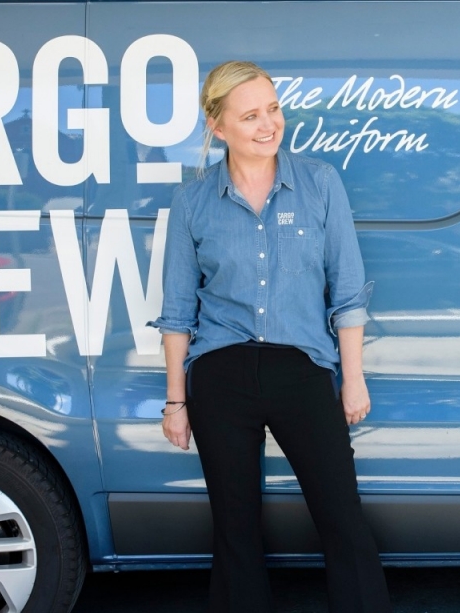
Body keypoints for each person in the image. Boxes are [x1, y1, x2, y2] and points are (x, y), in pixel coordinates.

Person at [149, 60, 391, 613]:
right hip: (220, 373)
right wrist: (175, 401)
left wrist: (352, 380)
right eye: (251, 115)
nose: (269, 125)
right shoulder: (193, 202)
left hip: (302, 367)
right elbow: (179, 310)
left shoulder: (320, 183)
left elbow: (348, 291)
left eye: (274, 109)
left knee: (341, 517)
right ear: (217, 126)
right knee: (234, 530)